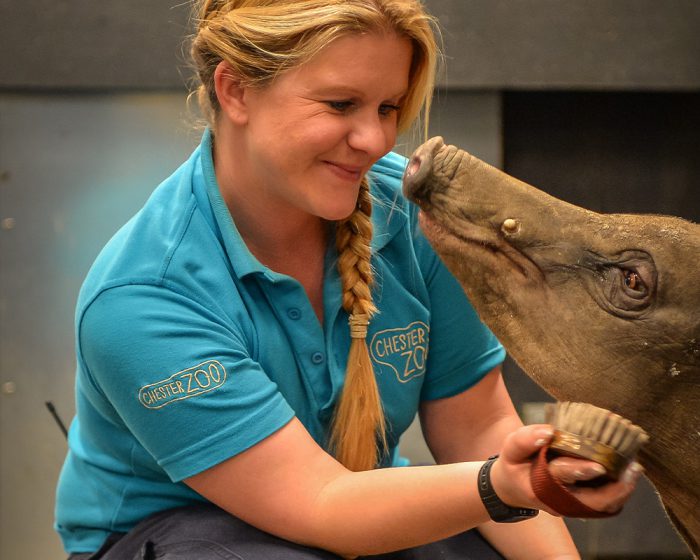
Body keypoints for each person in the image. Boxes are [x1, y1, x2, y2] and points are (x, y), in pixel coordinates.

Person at [55, 1, 642, 558]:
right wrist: (502, 486)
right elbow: (318, 502)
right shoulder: (142, 298)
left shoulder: (408, 214)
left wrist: (537, 483)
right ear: (235, 90)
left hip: (354, 502)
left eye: (387, 108)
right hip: (178, 536)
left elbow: (479, 428)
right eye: (340, 105)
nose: (377, 141)